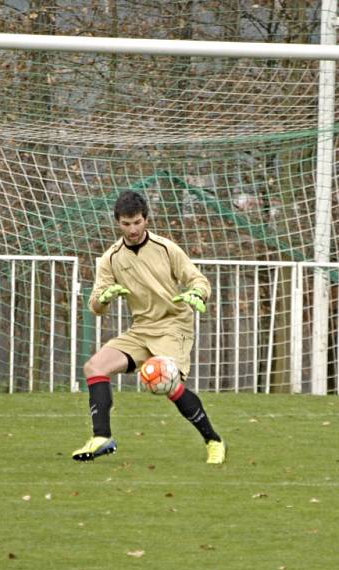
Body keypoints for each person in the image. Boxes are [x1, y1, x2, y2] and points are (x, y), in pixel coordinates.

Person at [72, 190, 226, 464]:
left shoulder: (166, 249)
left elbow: (198, 280)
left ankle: (213, 441)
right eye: (125, 223)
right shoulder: (110, 258)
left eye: (137, 222)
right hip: (141, 328)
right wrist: (103, 298)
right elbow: (95, 305)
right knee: (94, 367)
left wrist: (197, 294)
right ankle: (101, 437)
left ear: (146, 220)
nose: (132, 229)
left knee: (166, 381)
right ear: (117, 223)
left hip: (174, 324)